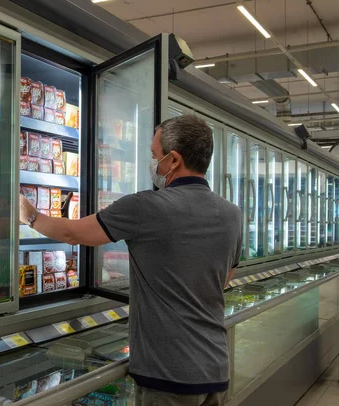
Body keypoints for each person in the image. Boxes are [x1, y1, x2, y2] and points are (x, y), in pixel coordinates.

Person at [19, 115, 243, 406]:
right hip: (215, 367)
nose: (152, 163)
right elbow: (224, 279)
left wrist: (29, 215)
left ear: (173, 160)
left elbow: (72, 233)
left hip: (168, 376)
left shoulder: (146, 207)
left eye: (154, 155)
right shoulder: (232, 214)